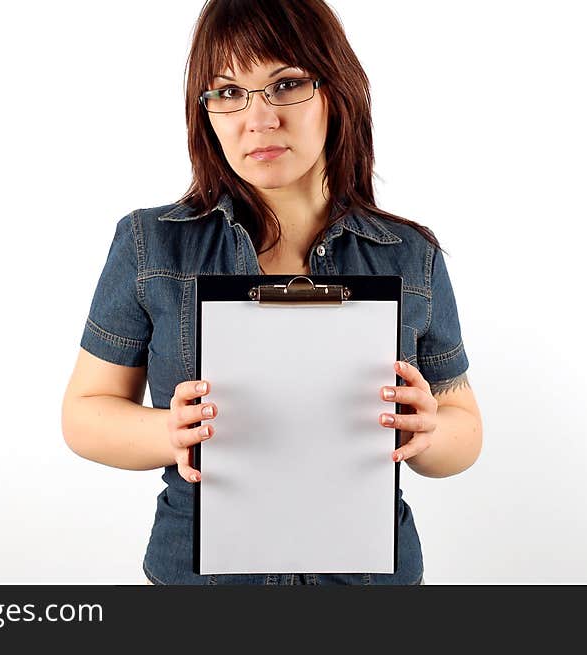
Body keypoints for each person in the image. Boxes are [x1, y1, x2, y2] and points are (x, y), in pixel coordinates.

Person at [61, 0, 483, 585]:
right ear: (204, 111)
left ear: (337, 90)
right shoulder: (151, 245)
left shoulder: (410, 254)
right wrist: (168, 431)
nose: (257, 119)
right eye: (229, 92)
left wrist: (429, 431)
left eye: (284, 84)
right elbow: (84, 415)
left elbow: (464, 427)